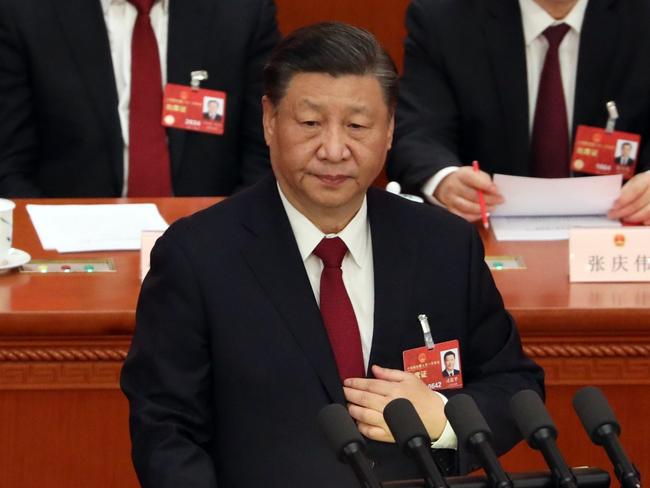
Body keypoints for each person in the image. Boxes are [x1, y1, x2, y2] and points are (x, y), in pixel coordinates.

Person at [121, 22, 544, 487]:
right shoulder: (197, 256)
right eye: (310, 123)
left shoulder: (444, 246)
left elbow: (515, 387)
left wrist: (444, 422)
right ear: (269, 120)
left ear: (389, 131)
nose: (335, 149)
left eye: (358, 126)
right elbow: (165, 431)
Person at [388, 0, 650, 225]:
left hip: (622, 234)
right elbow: (418, 130)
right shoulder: (445, 18)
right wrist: (444, 179)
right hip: (483, 231)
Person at [0, 0, 279, 197]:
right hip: (70, 240)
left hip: (212, 234)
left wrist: (233, 236)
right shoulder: (24, 12)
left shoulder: (243, 11)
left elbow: (266, 150)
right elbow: (9, 163)